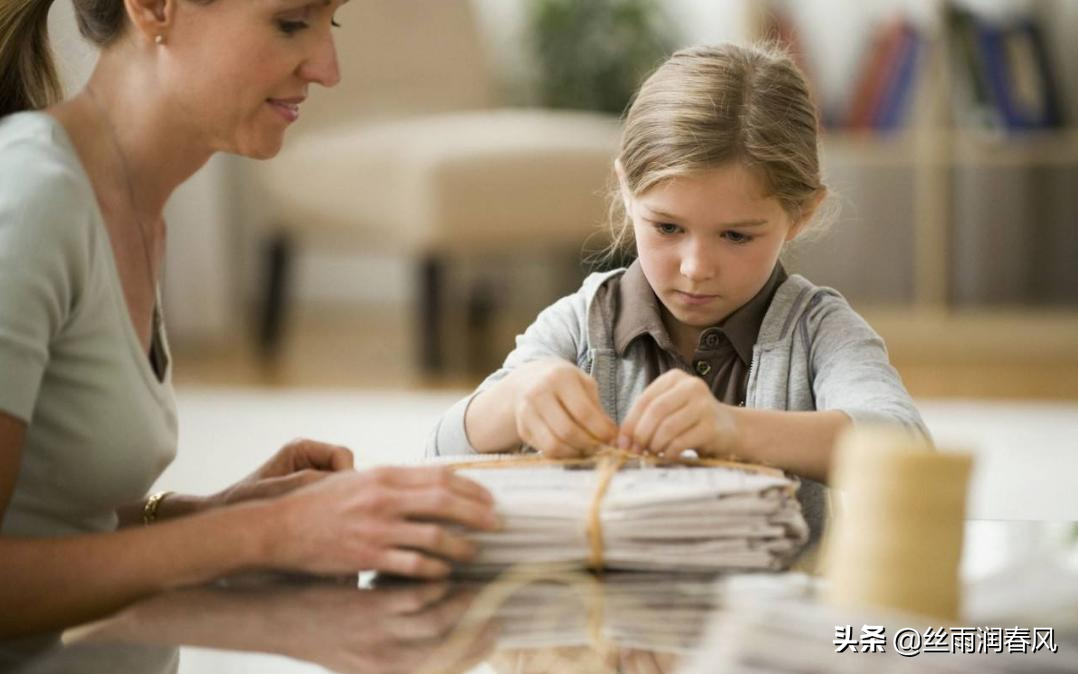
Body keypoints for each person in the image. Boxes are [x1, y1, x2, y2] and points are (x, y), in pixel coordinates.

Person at [0, 0, 499, 641]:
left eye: (331, 24)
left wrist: (212, 512)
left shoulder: (134, 211)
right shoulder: (29, 202)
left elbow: (52, 523)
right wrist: (262, 534)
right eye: (290, 23)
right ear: (154, 8)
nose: (329, 68)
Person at [427, 43, 928, 544]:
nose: (695, 269)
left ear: (801, 214)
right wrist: (517, 399)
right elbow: (436, 458)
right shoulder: (581, 324)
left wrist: (733, 430)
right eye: (667, 227)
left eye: (736, 236)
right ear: (627, 191)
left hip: (771, 615)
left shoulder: (819, 330)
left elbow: (908, 452)